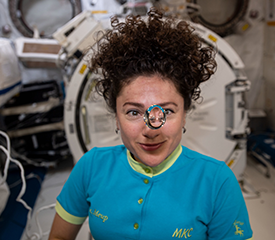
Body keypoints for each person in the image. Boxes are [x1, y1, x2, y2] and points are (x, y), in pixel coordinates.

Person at [49, 8, 253, 240]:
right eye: (134, 112)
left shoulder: (218, 183)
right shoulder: (91, 167)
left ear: (185, 115)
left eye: (166, 110)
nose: (151, 130)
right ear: (116, 117)